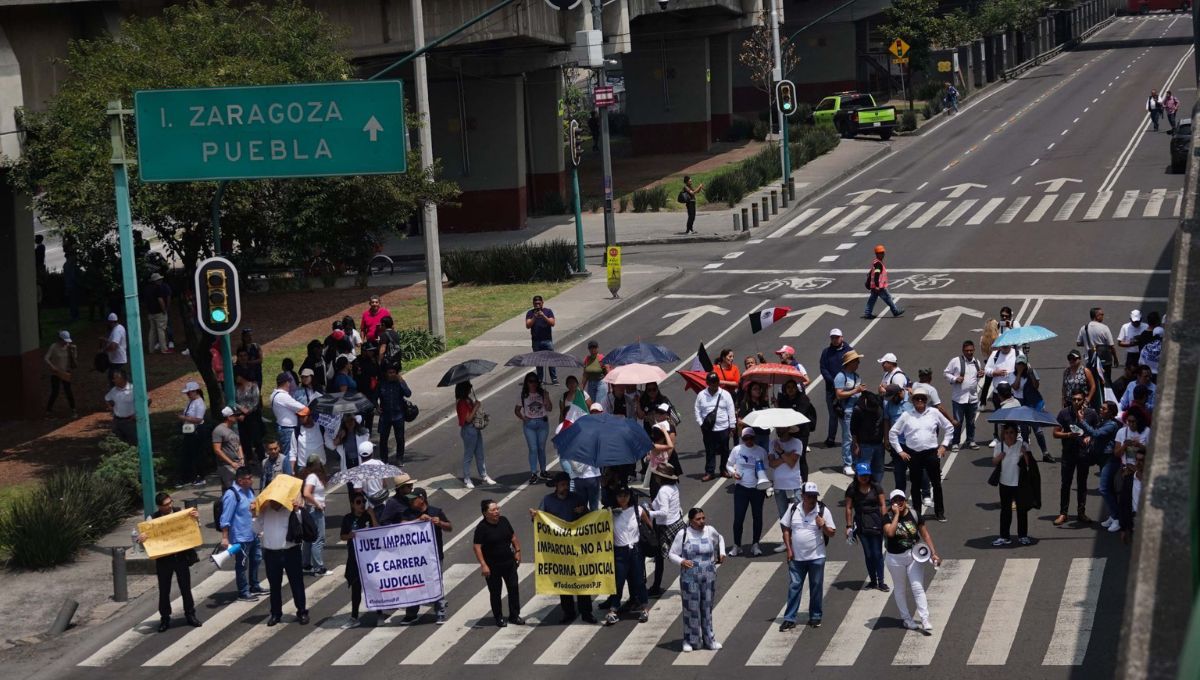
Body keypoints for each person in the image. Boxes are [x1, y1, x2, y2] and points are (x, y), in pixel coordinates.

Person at [532, 472, 595, 623]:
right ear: (556, 486)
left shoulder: (576, 498)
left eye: (567, 484)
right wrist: (535, 516)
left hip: (577, 547)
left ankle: (586, 612)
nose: (565, 487)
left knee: (581, 579)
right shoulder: (547, 501)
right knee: (564, 580)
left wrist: (583, 512)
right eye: (562, 485)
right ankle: (568, 612)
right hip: (559, 549)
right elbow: (539, 521)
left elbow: (588, 519)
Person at [887, 386, 953, 522]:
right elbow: (893, 433)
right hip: (914, 454)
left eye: (922, 398)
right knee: (915, 485)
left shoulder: (934, 412)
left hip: (931, 453)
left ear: (926, 400)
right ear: (913, 401)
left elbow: (949, 427)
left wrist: (944, 445)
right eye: (917, 398)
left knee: (936, 483)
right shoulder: (907, 415)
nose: (920, 401)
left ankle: (939, 512)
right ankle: (916, 514)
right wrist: (900, 451)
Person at [138, 493, 202, 632]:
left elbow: (193, 529)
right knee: (164, 590)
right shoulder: (152, 519)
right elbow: (147, 541)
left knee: (185, 587)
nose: (169, 506)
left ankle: (190, 614)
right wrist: (142, 539)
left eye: (170, 502)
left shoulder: (181, 513)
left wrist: (196, 519)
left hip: (181, 557)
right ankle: (165, 618)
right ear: (159, 506)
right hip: (164, 560)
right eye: (166, 505)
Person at [883, 489, 942, 632]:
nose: (899, 502)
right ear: (891, 503)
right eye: (895, 500)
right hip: (894, 558)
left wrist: (933, 553)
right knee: (900, 588)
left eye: (901, 499)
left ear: (905, 500)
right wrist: (896, 515)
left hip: (913, 556)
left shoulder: (914, 514)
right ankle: (907, 619)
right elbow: (890, 533)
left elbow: (925, 534)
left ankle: (925, 619)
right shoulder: (886, 517)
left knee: (917, 587)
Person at [779, 481, 836, 629]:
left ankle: (815, 616)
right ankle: (790, 618)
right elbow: (785, 528)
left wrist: (822, 525)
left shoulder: (823, 511)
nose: (812, 499)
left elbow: (832, 533)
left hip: (817, 557)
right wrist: (789, 549)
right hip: (797, 558)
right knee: (794, 587)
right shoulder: (793, 509)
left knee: (816, 587)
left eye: (814, 496)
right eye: (809, 496)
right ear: (803, 496)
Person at [669, 507, 726, 652]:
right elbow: (672, 554)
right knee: (691, 609)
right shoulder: (683, 534)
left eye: (703, 518)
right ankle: (690, 640)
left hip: (708, 576)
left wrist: (722, 552)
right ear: (691, 521)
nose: (701, 522)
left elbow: (720, 539)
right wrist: (682, 561)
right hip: (690, 578)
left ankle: (709, 640)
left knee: (706, 608)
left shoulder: (709, 530)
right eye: (698, 519)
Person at [397, 488, 452, 625]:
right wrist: (417, 520)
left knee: (435, 582)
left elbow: (449, 527)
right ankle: (411, 613)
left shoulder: (435, 511)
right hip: (413, 558)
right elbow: (400, 527)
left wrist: (440, 523)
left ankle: (440, 612)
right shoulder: (408, 513)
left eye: (413, 498)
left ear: (421, 499)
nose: (410, 501)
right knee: (413, 584)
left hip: (433, 556)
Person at [255, 497, 309, 626]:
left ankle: (302, 611)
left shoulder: (290, 509)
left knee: (296, 583)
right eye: (271, 501)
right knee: (274, 586)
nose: (274, 504)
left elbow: (302, 523)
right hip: (271, 553)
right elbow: (255, 529)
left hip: (290, 552)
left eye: (276, 501)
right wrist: (254, 514)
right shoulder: (265, 511)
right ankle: (275, 613)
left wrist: (297, 510)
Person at [473, 500, 524, 627]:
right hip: (492, 566)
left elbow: (513, 537)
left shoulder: (504, 521)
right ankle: (499, 617)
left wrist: (517, 551)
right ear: (485, 513)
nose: (497, 512)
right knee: (495, 593)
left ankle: (514, 615)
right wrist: (483, 565)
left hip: (509, 563)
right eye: (493, 510)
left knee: (513, 589)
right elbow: (477, 547)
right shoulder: (481, 528)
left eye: (497, 509)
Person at [604, 486, 650, 625]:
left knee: (639, 581)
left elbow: (649, 526)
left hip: (636, 551)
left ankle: (644, 607)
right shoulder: (610, 513)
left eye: (625, 495)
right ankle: (613, 610)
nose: (623, 498)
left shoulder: (638, 510)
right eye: (620, 496)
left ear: (630, 496)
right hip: (619, 552)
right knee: (618, 582)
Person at [1053, 389, 1098, 526]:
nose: (1076, 402)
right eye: (1074, 399)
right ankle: (1063, 513)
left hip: (1084, 455)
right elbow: (1055, 433)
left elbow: (1097, 432)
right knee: (1065, 484)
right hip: (1068, 454)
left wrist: (1090, 437)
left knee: (1082, 484)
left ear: (1084, 400)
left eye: (1079, 399)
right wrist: (1068, 435)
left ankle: (1081, 512)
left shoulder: (1091, 414)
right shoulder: (1063, 413)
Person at [219, 467, 263, 601]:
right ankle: (243, 591)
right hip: (240, 536)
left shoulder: (249, 491)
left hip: (253, 533)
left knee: (257, 558)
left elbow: (253, 510)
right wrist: (225, 537)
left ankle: (254, 585)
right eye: (249, 478)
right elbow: (225, 518)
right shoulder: (231, 495)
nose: (252, 480)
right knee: (242, 564)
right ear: (240, 480)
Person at [1079, 400, 1122, 533]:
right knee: (1109, 489)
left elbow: (1096, 434)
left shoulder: (1111, 425)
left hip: (1110, 460)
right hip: (1103, 459)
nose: (1100, 410)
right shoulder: (1103, 422)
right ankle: (1113, 515)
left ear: (1111, 412)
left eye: (1103, 409)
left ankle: (1117, 518)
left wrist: (1082, 421)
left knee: (1103, 488)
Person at [726, 427, 769, 557]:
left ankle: (755, 544)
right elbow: (728, 465)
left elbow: (766, 467)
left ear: (754, 438)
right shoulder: (737, 450)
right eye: (746, 438)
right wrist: (733, 473)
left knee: (757, 517)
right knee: (738, 518)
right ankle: (737, 545)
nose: (749, 441)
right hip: (741, 488)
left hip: (757, 489)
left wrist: (760, 472)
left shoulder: (761, 451)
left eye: (751, 438)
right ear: (742, 439)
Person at [845, 462, 888, 591]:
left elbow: (882, 505)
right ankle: (873, 581)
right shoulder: (852, 489)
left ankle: (881, 581)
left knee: (877, 553)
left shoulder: (876, 487)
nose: (865, 478)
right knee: (868, 554)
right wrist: (848, 526)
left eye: (867, 475)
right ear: (857, 475)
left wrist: (885, 521)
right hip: (861, 524)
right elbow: (848, 508)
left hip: (876, 522)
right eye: (862, 475)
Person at [991, 424, 1035, 546]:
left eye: (1011, 432)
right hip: (1004, 482)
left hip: (1019, 483)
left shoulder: (1023, 445)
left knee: (1022, 511)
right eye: (1007, 433)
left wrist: (1025, 454)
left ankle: (1023, 536)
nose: (1009, 435)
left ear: (1016, 434)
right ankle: (1004, 536)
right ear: (1003, 434)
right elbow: (994, 462)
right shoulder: (999, 447)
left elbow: (1029, 465)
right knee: (1005, 511)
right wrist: (1000, 457)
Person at [647, 463, 685, 598]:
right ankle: (657, 586)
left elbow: (663, 512)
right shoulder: (674, 487)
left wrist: (648, 513)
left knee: (662, 556)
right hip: (676, 523)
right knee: (680, 554)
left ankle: (656, 586)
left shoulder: (663, 491)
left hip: (665, 527)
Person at [340, 492, 378, 627]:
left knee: (374, 586)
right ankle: (354, 617)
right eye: (358, 502)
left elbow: (377, 531)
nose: (361, 504)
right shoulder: (347, 519)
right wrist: (350, 535)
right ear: (352, 505)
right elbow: (342, 536)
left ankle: (379, 613)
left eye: (363, 501)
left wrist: (372, 515)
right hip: (355, 559)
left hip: (370, 559)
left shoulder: (368, 516)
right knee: (356, 588)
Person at [1114, 407, 1151, 537]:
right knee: (1124, 497)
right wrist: (1125, 445)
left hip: (1141, 470)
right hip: (1126, 469)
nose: (1130, 424)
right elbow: (1117, 453)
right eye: (1128, 421)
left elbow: (1153, 451)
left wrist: (1140, 446)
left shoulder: (1147, 432)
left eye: (1133, 421)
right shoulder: (1121, 432)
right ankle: (1125, 523)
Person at [695, 372, 736, 482]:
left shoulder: (725, 394)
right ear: (707, 383)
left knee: (724, 450)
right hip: (708, 429)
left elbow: (731, 410)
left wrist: (732, 426)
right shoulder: (701, 395)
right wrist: (701, 423)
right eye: (712, 383)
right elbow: (697, 410)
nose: (714, 385)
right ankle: (710, 472)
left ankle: (723, 469)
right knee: (710, 450)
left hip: (723, 427)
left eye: (716, 382)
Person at [835, 351, 870, 476]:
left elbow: (858, 393)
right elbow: (839, 394)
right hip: (846, 411)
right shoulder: (841, 376)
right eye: (856, 361)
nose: (858, 363)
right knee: (848, 438)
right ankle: (847, 464)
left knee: (857, 438)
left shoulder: (856, 376)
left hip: (857, 411)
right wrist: (856, 390)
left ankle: (856, 461)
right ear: (850, 362)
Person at [943, 340, 982, 451]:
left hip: (972, 398)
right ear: (963, 351)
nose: (969, 352)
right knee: (958, 422)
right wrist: (955, 379)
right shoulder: (955, 361)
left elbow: (975, 378)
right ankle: (955, 442)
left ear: (974, 350)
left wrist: (980, 375)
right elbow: (945, 373)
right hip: (959, 398)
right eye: (967, 350)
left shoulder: (977, 362)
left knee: (971, 422)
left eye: (971, 350)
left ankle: (971, 441)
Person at [515, 372, 553, 484]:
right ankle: (533, 473)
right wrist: (523, 418)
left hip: (542, 423)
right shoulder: (523, 395)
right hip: (529, 424)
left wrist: (546, 398)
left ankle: (543, 470)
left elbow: (550, 408)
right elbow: (517, 410)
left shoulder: (543, 393)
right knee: (533, 448)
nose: (533, 384)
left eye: (535, 381)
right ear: (527, 383)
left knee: (541, 447)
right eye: (530, 381)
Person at [819, 329, 854, 448]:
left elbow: (853, 366)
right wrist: (833, 381)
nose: (835, 339)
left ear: (842, 338)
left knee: (847, 413)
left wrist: (843, 381)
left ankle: (850, 437)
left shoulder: (849, 350)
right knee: (833, 414)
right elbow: (823, 368)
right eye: (833, 337)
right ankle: (831, 438)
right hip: (831, 389)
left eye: (837, 337)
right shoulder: (826, 352)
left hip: (847, 388)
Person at [1013, 355, 1051, 462]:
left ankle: (1045, 453)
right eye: (1018, 364)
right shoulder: (1012, 375)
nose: (1020, 366)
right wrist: (1019, 373)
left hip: (1032, 404)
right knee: (1024, 431)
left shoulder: (1031, 372)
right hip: (1020, 404)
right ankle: (1027, 455)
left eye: (1022, 364)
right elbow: (1015, 387)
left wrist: (1031, 374)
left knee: (1038, 430)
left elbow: (1036, 386)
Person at [269, 373, 308, 475]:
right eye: (289, 382)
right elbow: (303, 408)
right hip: (288, 429)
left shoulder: (274, 394)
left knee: (289, 453)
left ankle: (289, 473)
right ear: (286, 383)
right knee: (289, 454)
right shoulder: (283, 396)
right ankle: (288, 475)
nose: (290, 385)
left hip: (283, 427)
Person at [768, 425, 806, 527]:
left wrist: (781, 452)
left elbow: (791, 463)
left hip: (794, 486)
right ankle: (787, 542)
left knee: (798, 516)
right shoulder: (772, 443)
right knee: (783, 517)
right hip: (779, 486)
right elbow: (772, 464)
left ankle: (796, 541)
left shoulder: (797, 443)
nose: (778, 430)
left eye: (781, 428)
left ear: (788, 429)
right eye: (777, 428)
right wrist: (787, 455)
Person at [456, 381, 492, 489]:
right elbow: (468, 419)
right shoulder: (462, 403)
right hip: (468, 430)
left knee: (480, 453)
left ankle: (484, 475)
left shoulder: (468, 400)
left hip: (475, 429)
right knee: (469, 455)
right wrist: (476, 407)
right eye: (469, 387)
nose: (471, 389)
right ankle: (467, 479)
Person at [377, 363, 412, 465]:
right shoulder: (381, 384)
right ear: (386, 373)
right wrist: (377, 407)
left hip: (398, 415)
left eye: (393, 372)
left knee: (400, 438)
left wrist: (401, 381)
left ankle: (399, 458)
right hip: (385, 417)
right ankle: (384, 460)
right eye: (389, 373)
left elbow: (408, 393)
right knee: (383, 439)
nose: (391, 374)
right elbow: (374, 397)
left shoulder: (400, 382)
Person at [1077, 307, 1116, 393]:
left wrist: (1088, 343)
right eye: (1101, 314)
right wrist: (1115, 359)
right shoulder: (1104, 328)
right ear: (1096, 316)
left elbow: (1079, 343)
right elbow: (1111, 346)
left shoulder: (1084, 328)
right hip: (1104, 361)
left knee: (1092, 383)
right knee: (1106, 382)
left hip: (1090, 361)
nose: (1103, 316)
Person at [301, 456, 329, 576]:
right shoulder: (312, 477)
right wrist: (318, 504)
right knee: (318, 538)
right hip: (315, 510)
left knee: (309, 539)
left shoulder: (310, 476)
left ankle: (306, 565)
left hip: (311, 509)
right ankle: (318, 568)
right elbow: (306, 493)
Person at [850, 391, 887, 482]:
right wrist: (856, 445)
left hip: (878, 443)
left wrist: (886, 439)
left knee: (879, 469)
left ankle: (876, 489)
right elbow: (853, 429)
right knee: (862, 471)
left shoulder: (880, 403)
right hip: (864, 444)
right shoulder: (858, 409)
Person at [177, 381, 207, 486]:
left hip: (197, 430)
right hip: (189, 430)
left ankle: (201, 475)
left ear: (195, 391)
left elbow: (199, 419)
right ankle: (189, 476)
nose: (188, 395)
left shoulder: (199, 403)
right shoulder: (191, 402)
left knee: (197, 454)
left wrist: (184, 418)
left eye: (189, 393)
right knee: (188, 454)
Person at [863, 244, 903, 319]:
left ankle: (867, 313)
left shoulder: (876, 262)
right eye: (881, 253)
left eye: (883, 253)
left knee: (872, 300)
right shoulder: (878, 264)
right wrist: (877, 285)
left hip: (875, 286)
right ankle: (895, 311)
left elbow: (871, 273)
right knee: (888, 298)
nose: (883, 254)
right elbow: (876, 275)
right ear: (877, 254)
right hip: (879, 287)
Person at [234, 370, 265, 465]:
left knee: (256, 437)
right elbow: (234, 401)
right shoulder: (236, 388)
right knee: (244, 437)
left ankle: (261, 457)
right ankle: (249, 457)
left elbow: (255, 402)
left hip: (252, 415)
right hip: (240, 416)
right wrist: (240, 409)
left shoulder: (253, 386)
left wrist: (246, 411)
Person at [45, 330, 78, 418]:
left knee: (68, 391)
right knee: (55, 391)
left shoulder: (69, 347)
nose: (66, 343)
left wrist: (74, 351)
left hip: (65, 372)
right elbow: (46, 358)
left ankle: (73, 409)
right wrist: (52, 366)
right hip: (56, 373)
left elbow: (74, 360)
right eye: (64, 341)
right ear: (60, 340)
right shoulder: (53, 346)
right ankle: (48, 410)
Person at [525, 295, 558, 384]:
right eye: (535, 303)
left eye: (539, 303)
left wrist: (543, 316)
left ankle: (554, 378)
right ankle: (540, 379)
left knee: (551, 359)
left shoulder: (548, 311)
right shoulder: (530, 313)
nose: (537, 305)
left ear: (542, 303)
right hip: (536, 341)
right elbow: (528, 325)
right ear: (533, 304)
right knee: (539, 361)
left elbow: (552, 323)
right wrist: (534, 317)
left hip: (547, 340)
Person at [736, 381, 772, 450]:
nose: (758, 391)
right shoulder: (745, 403)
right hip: (753, 436)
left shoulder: (764, 403)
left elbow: (769, 416)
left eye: (759, 389)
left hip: (765, 435)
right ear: (750, 391)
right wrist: (754, 421)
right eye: (755, 389)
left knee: (764, 457)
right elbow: (740, 421)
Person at [105, 369, 137, 444]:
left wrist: (137, 413)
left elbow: (148, 400)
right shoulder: (114, 390)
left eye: (116, 378)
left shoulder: (134, 389)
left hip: (130, 421)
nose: (113, 380)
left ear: (122, 378)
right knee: (119, 442)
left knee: (133, 441)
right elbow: (107, 398)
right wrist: (110, 407)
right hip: (117, 421)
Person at [144, 272, 172, 354]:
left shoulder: (147, 289)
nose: (160, 281)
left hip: (150, 312)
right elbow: (160, 300)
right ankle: (164, 348)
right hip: (159, 312)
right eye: (159, 279)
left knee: (152, 330)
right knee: (161, 330)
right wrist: (164, 310)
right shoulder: (157, 288)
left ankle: (151, 348)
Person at [101, 312, 128, 384]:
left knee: (115, 380)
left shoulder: (117, 331)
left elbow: (113, 346)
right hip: (118, 360)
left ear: (110, 322)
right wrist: (106, 340)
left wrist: (104, 350)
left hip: (117, 361)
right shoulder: (120, 327)